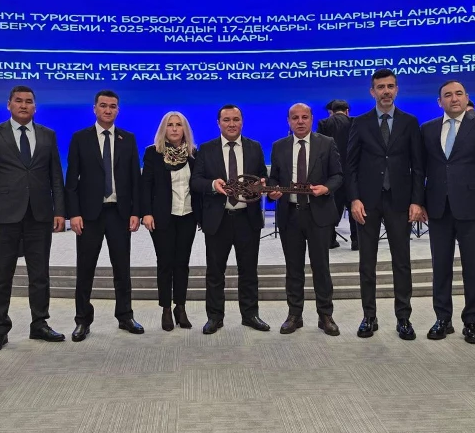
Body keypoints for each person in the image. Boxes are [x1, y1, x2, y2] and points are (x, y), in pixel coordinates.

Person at [0, 85, 66, 353]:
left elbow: (56, 177)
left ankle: (39, 323)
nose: (24, 105)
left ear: (35, 107)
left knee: (40, 274)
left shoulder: (48, 135)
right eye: (18, 101)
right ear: (9, 105)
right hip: (4, 217)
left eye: (29, 101)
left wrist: (59, 210)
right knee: (1, 276)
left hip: (40, 215)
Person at [419, 81, 475, 344]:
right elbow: (420, 170)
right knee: (440, 267)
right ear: (439, 102)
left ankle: (471, 322)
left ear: (467, 98)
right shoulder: (427, 129)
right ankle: (442, 318)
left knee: (473, 268)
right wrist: (418, 202)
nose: (453, 98)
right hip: (438, 209)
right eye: (447, 95)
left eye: (458, 94)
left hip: (473, 208)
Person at [346, 69, 425, 340]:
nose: (386, 91)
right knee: (367, 263)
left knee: (401, 262)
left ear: (397, 89)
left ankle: (403, 318)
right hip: (367, 202)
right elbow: (350, 166)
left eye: (390, 86)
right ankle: (369, 316)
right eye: (381, 87)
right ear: (372, 92)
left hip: (400, 201)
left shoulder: (410, 122)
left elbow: (418, 166)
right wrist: (354, 199)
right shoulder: (360, 123)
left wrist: (417, 201)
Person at [66, 90, 144, 341]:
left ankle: (125, 316)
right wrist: (73, 213)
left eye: (112, 106)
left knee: (122, 268)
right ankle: (82, 320)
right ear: (95, 109)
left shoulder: (127, 139)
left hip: (119, 214)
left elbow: (135, 179)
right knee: (85, 269)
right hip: (89, 215)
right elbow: (72, 181)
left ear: (118, 110)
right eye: (103, 105)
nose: (108, 110)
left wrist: (136, 211)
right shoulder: (80, 138)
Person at [191, 104, 270, 334]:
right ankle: (215, 317)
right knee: (215, 272)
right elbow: (195, 181)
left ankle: (250, 315)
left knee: (249, 271)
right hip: (219, 219)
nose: (232, 124)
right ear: (218, 123)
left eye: (236, 119)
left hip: (247, 218)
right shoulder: (206, 149)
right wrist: (212, 185)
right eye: (226, 120)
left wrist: (263, 184)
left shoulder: (255, 147)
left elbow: (262, 176)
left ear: (242, 122)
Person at [268, 103, 342, 336]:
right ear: (288, 121)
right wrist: (272, 192)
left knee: (321, 267)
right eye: (295, 118)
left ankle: (325, 315)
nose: (300, 121)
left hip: (318, 213)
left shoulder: (326, 143)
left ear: (311, 119)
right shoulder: (279, 146)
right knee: (293, 268)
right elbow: (273, 179)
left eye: (304, 117)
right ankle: (294, 315)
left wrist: (326, 188)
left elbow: (338, 175)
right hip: (290, 215)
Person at [141, 111, 201, 331]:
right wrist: (146, 213)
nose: (174, 128)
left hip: (188, 215)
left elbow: (198, 185)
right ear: (163, 129)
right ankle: (166, 308)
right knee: (165, 263)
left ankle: (180, 307)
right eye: (170, 125)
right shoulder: (153, 153)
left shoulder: (193, 153)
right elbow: (145, 185)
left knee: (182, 264)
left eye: (178, 124)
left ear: (185, 129)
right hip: (162, 217)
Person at [316, 99, 357, 250]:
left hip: (331, 174)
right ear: (347, 111)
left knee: (331, 207)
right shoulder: (355, 122)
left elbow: (319, 148)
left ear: (331, 112)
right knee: (355, 206)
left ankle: (330, 240)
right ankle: (357, 241)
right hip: (353, 172)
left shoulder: (324, 123)